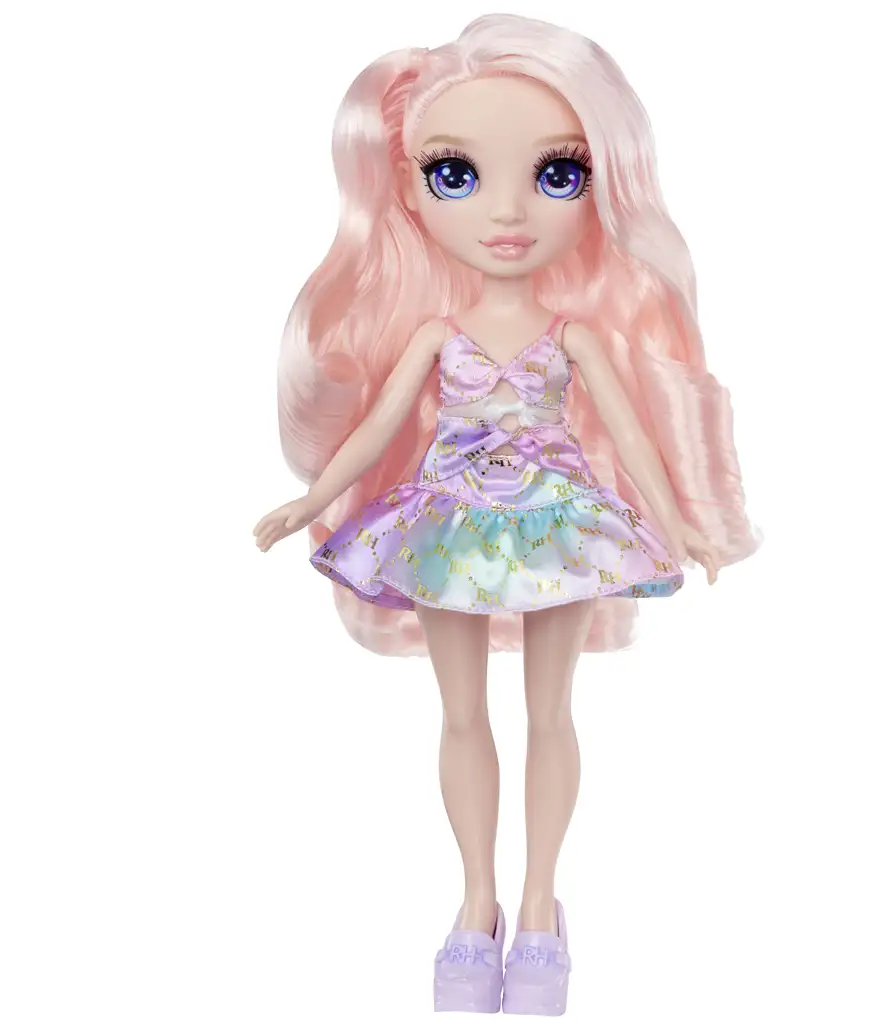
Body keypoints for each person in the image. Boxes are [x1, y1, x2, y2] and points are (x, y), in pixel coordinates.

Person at [252, 13, 761, 1015]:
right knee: (459, 715)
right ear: (410, 190)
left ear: (602, 187)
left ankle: (539, 910)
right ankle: (474, 903)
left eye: (558, 173)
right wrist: (311, 498)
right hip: (445, 524)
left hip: (559, 526)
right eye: (457, 174)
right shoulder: (435, 333)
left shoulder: (575, 337)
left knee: (549, 713)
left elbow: (638, 443)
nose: (509, 211)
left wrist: (683, 523)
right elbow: (377, 425)